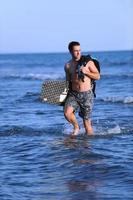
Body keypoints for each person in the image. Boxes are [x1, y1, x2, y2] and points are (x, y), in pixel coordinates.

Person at [64, 41, 100, 136]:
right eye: (76, 51)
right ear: (70, 52)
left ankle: (87, 147)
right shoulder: (67, 65)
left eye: (79, 50)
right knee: (67, 113)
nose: (78, 53)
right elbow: (68, 82)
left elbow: (97, 76)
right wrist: (62, 96)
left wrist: (86, 72)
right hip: (74, 94)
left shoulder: (88, 63)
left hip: (87, 95)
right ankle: (76, 126)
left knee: (87, 124)